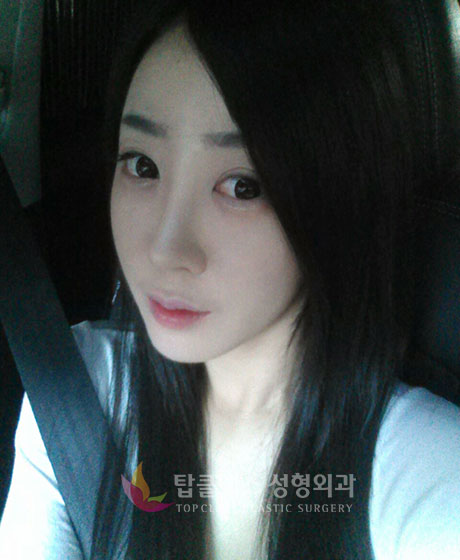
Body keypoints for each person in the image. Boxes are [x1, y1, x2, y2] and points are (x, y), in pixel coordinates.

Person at [1, 1, 460, 559]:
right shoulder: (78, 391)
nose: (166, 249)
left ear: (342, 199)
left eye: (244, 186)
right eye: (142, 165)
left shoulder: (424, 470)